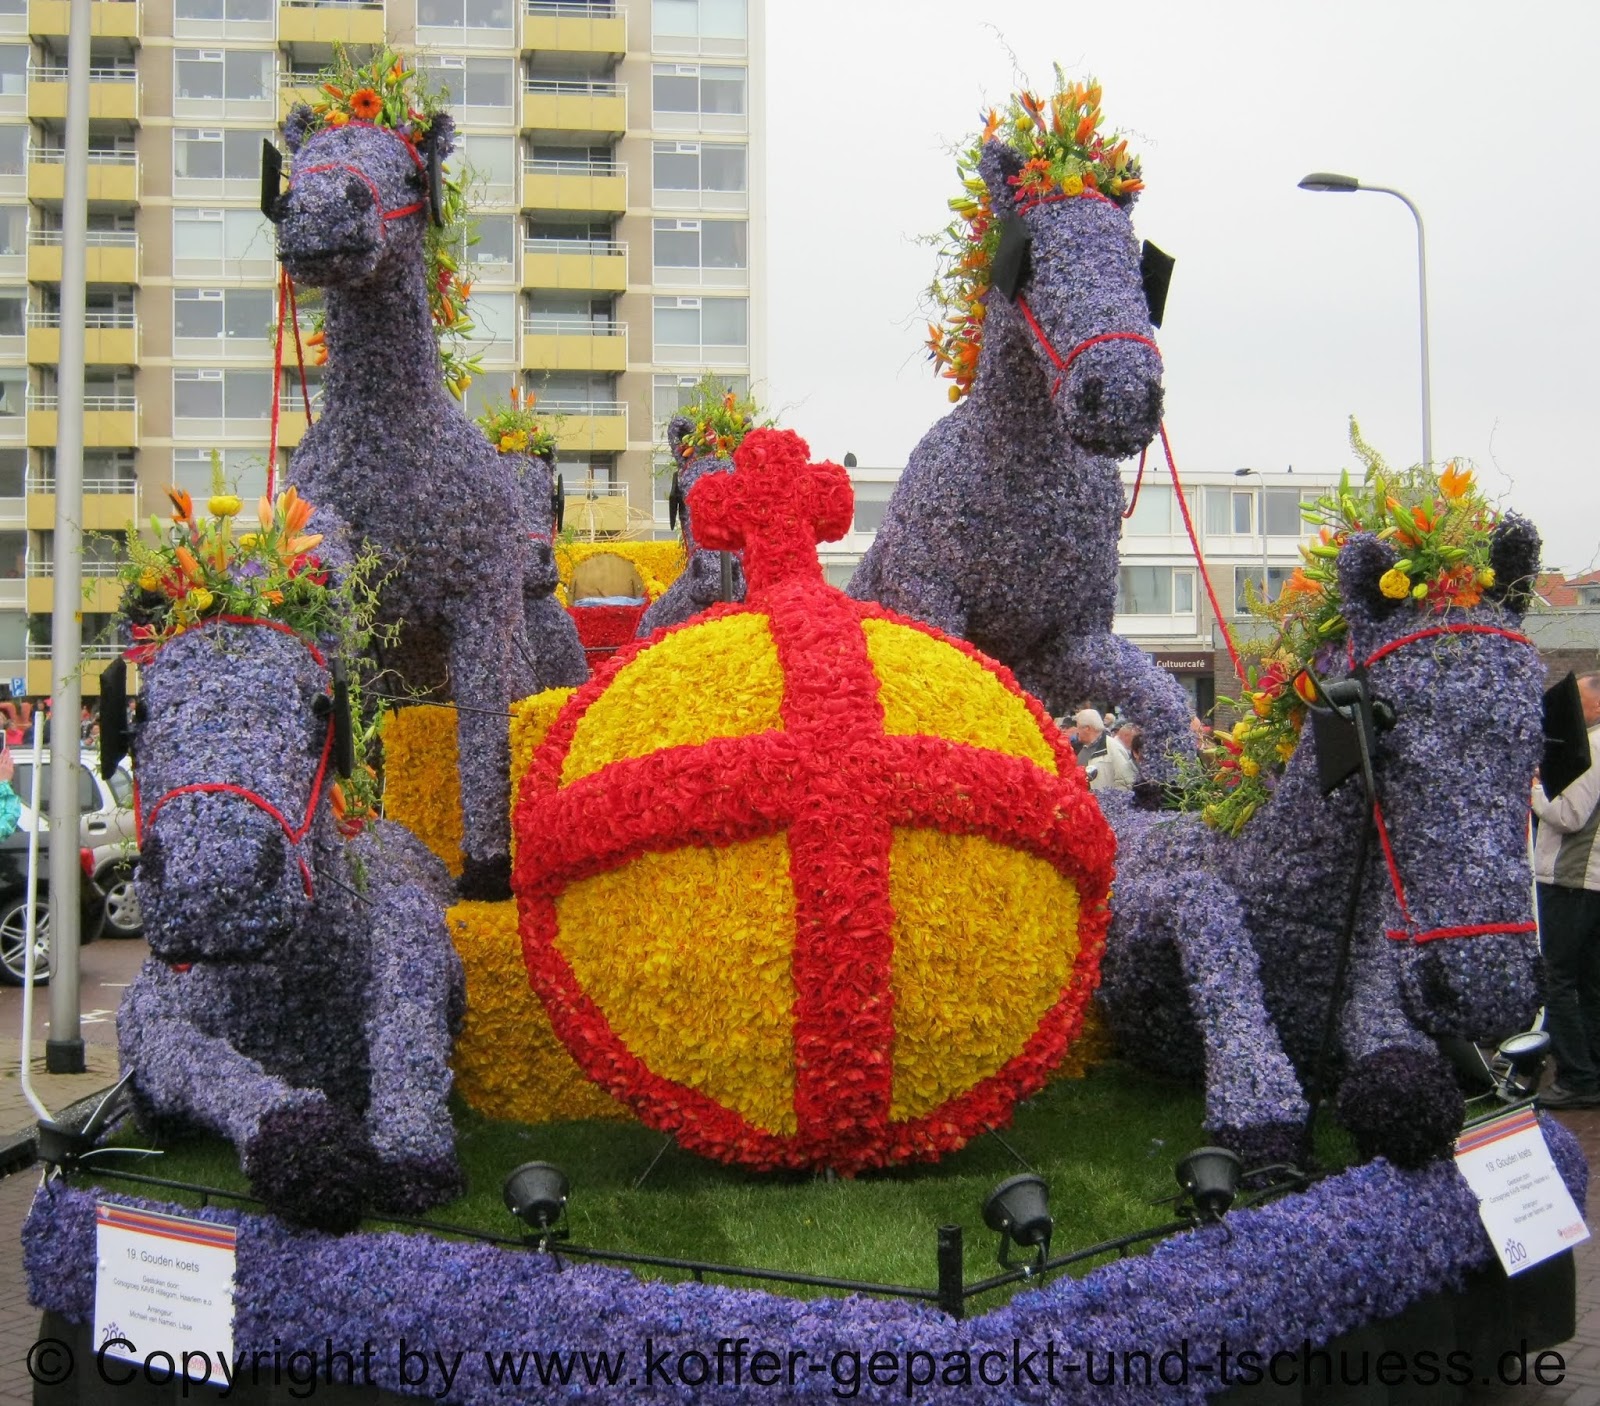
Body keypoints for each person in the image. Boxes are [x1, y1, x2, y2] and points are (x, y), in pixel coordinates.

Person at [1533, 672, 1600, 1108]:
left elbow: (1570, 814)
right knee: (1591, 980)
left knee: (1558, 976)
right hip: (1590, 881)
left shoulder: (1592, 746)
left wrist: (1535, 792)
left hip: (1571, 877)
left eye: (1578, 701)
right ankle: (1591, 1067)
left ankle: (1576, 1076)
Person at [1074, 708, 1136, 793]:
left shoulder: (1113, 748)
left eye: (1078, 727)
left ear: (1087, 728)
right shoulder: (1080, 749)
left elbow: (1126, 782)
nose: (1077, 731)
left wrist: (1112, 803)